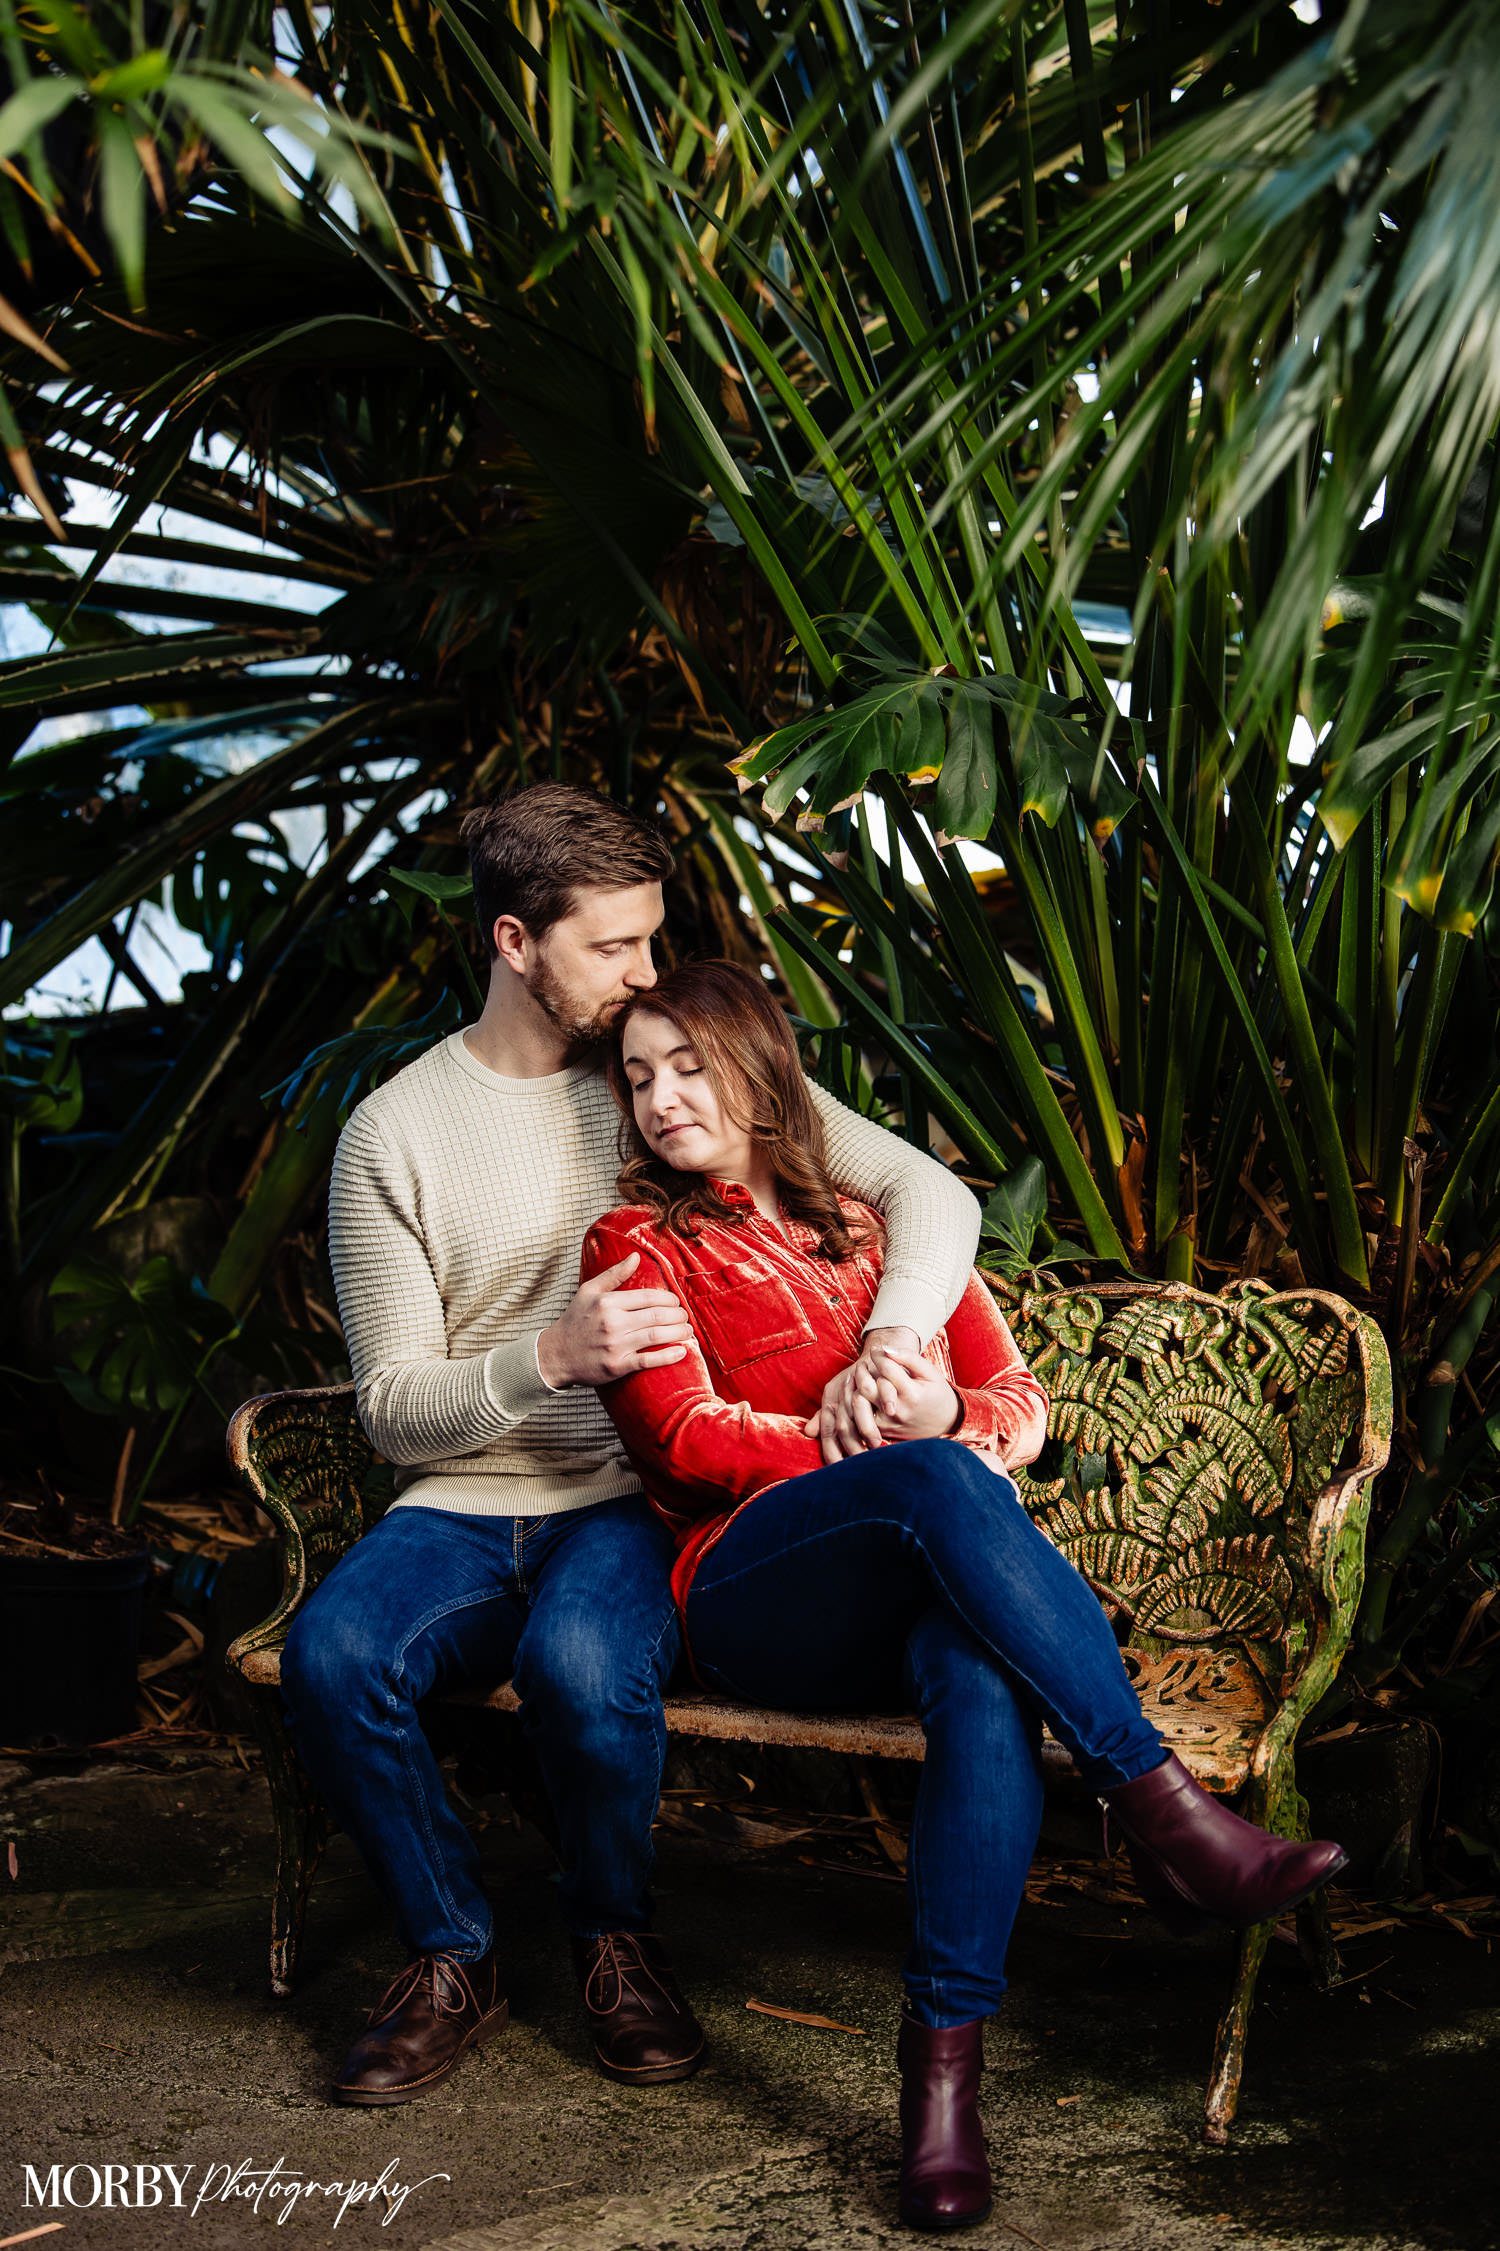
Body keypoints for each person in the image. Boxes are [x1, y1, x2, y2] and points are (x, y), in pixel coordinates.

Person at [581, 959, 1348, 2236]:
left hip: (916, 1592)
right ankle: (1165, 1817)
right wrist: (872, 1451)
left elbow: (1020, 1406)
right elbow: (684, 1442)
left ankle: (941, 2087)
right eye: (640, 1076)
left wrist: (942, 1408)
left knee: (981, 1673)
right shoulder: (638, 1244)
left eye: (691, 1066)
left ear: (760, 1067)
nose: (663, 1098)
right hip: (754, 1591)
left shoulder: (885, 1232)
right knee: (929, 1474)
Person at [279, 784, 984, 2107]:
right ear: (513, 940)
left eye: (653, 938)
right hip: (458, 1503)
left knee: (584, 1663)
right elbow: (391, 1408)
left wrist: (893, 1341)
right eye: (614, 946)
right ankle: (451, 1952)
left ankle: (613, 1934)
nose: (647, 973)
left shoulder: (664, 1074)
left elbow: (927, 1188)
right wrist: (546, 1355)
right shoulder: (395, 1131)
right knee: (332, 1656)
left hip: (630, 1497)